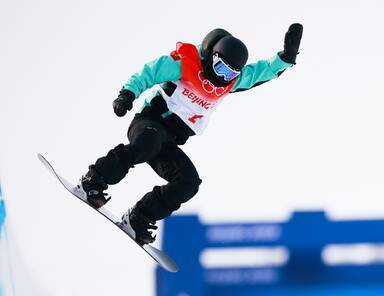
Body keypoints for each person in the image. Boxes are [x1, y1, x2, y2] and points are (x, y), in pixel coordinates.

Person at [76, 24, 303, 244]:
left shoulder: (229, 83)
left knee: (189, 183)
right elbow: (149, 73)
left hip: (168, 142)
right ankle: (94, 179)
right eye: (220, 68)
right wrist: (127, 94)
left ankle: (139, 217)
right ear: (212, 56)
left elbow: (261, 71)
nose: (223, 78)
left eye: (231, 73)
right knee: (147, 144)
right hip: (149, 123)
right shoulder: (185, 63)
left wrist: (286, 57)